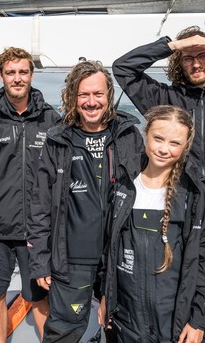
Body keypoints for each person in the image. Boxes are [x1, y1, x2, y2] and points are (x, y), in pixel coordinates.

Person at [112, 26, 205, 343]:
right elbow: (123, 68)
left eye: (202, 54)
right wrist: (171, 44)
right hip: (178, 221)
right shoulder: (166, 99)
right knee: (183, 305)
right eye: (187, 57)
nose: (195, 62)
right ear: (178, 61)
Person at [27, 60, 144, 342]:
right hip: (71, 260)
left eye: (98, 94)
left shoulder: (129, 135)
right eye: (84, 95)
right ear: (73, 97)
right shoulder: (58, 139)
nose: (92, 102)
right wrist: (40, 260)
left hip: (121, 256)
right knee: (64, 333)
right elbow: (40, 204)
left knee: (123, 329)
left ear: (109, 96)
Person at [99, 105, 205, 343]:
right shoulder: (123, 185)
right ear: (146, 135)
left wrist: (199, 320)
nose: (164, 149)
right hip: (127, 321)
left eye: (175, 143)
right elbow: (109, 249)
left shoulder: (196, 195)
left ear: (185, 146)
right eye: (158, 139)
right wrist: (106, 295)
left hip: (175, 323)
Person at [0, 47, 59, 342]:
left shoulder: (51, 120)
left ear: (31, 74)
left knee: (38, 294)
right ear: (1, 75)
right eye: (11, 72)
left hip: (35, 227)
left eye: (23, 72)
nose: (17, 78)